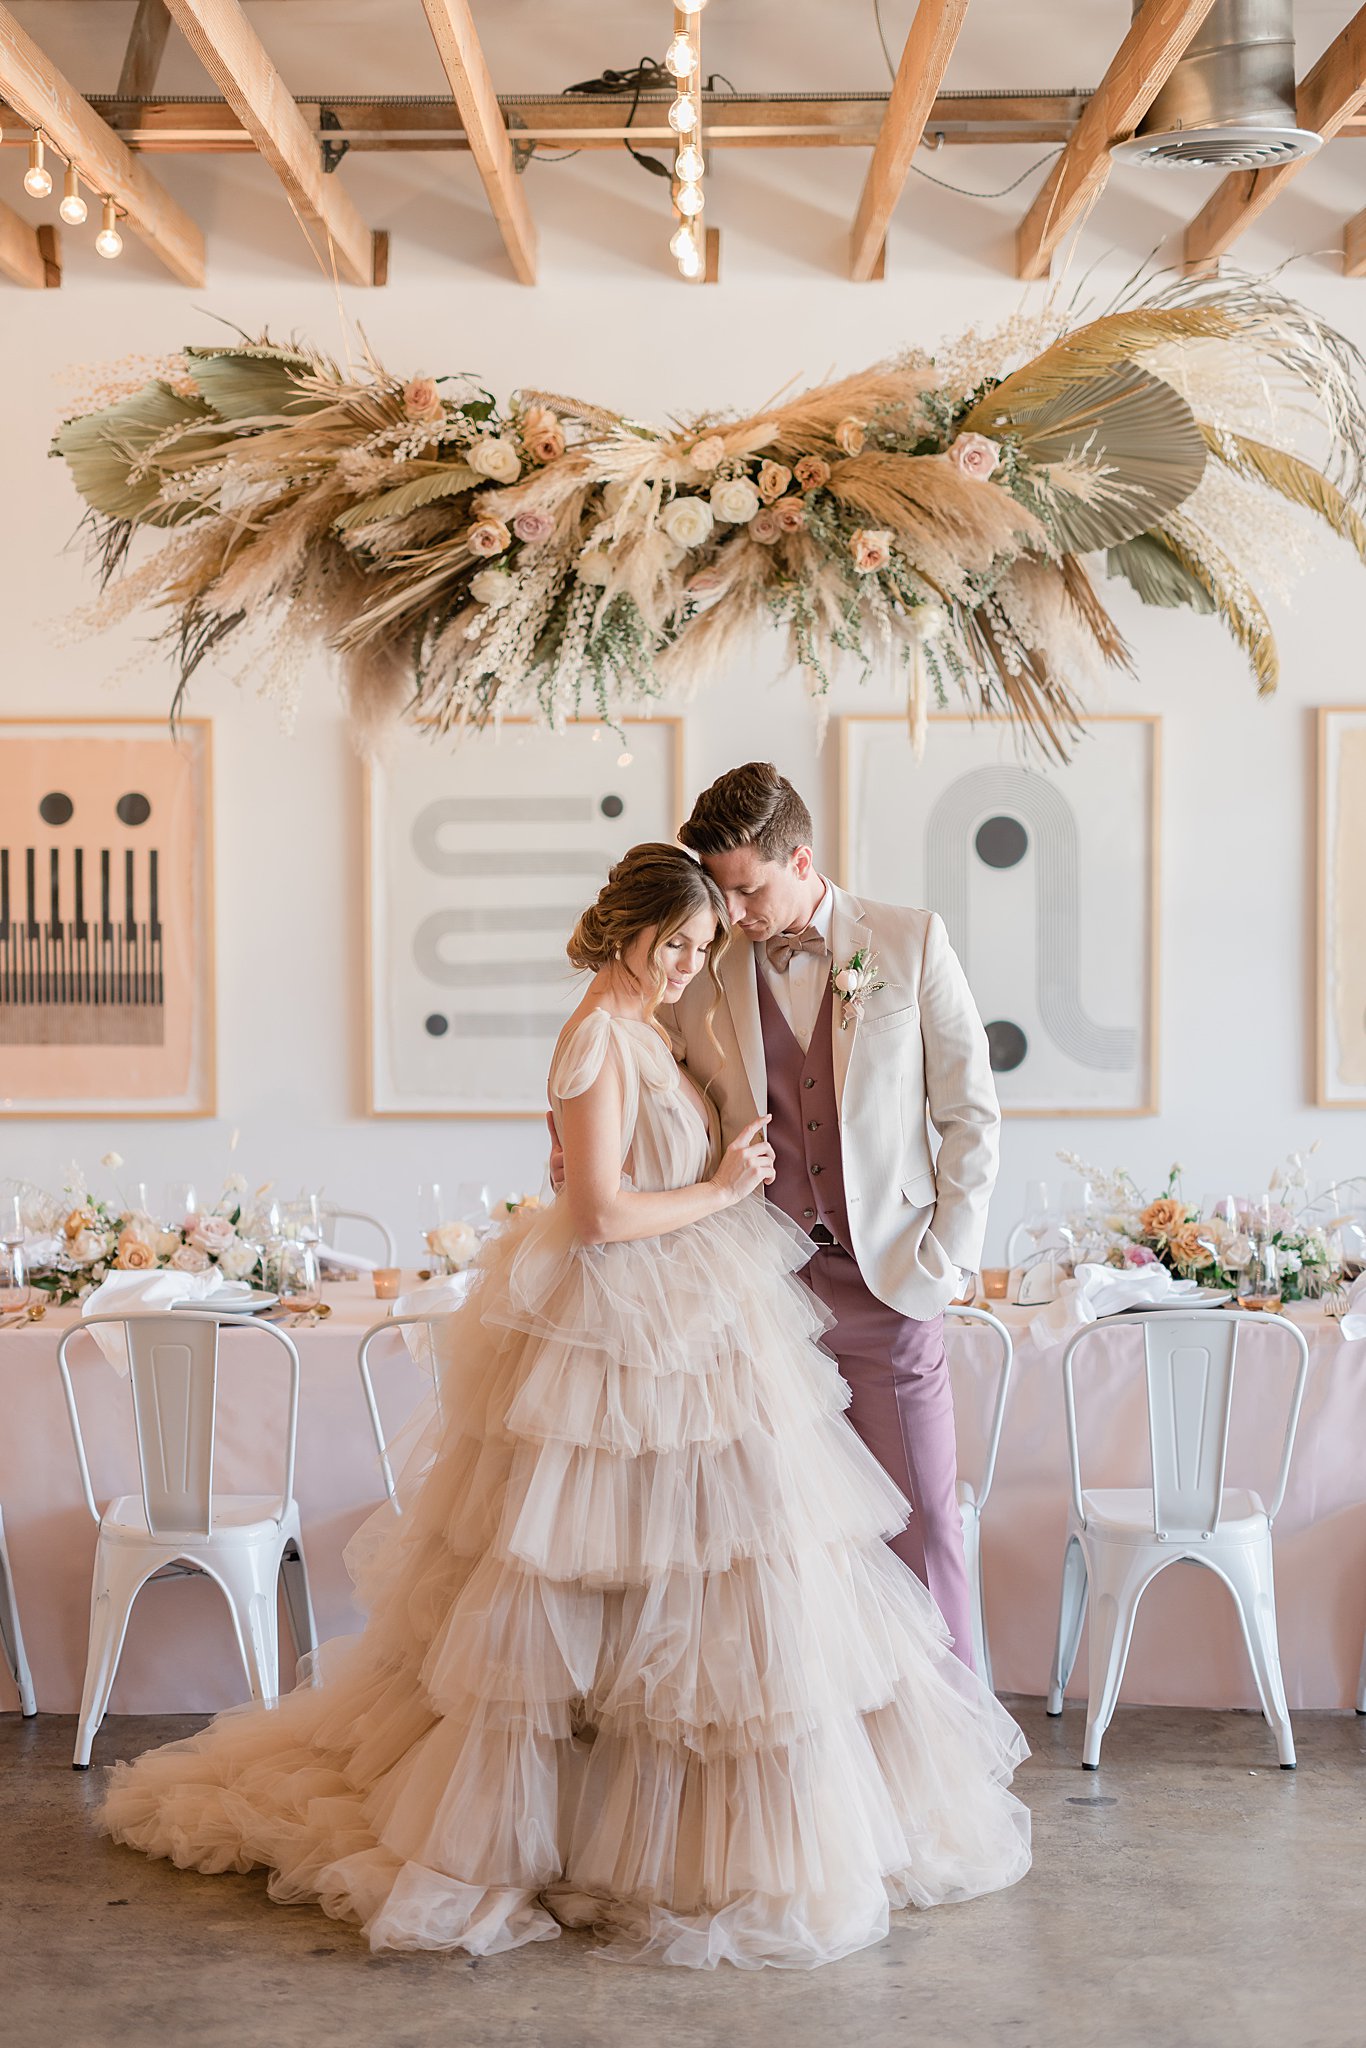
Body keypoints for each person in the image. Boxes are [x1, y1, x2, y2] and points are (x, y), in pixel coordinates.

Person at [97, 843, 1028, 1970]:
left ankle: (662, 1817)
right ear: (624, 930)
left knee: (709, 1584)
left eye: (701, 942)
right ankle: (583, 1829)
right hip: (627, 1324)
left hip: (694, 1317)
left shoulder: (650, 1021)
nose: (692, 961)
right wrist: (720, 1190)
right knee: (600, 1582)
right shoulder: (597, 1035)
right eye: (674, 941)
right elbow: (594, 1214)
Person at [673, 763, 1000, 1668]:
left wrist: (946, 1263)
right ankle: (836, 1771)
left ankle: (951, 1767)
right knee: (788, 1544)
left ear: (801, 859)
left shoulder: (907, 942)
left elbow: (969, 1115)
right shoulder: (706, 979)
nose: (734, 915)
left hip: (893, 1286)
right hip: (768, 1301)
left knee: (925, 1526)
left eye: (748, 889)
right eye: (721, 893)